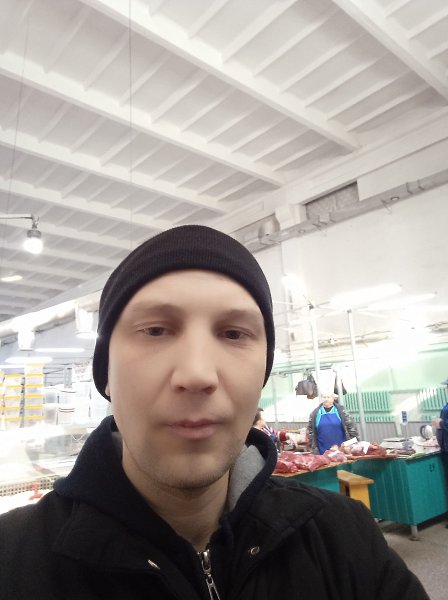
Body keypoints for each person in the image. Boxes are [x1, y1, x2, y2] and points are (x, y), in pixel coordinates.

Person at [0, 225, 429, 599]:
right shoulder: (14, 559)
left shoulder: (344, 538)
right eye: (155, 330)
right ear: (105, 373)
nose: (197, 374)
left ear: (262, 374)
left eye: (234, 333)